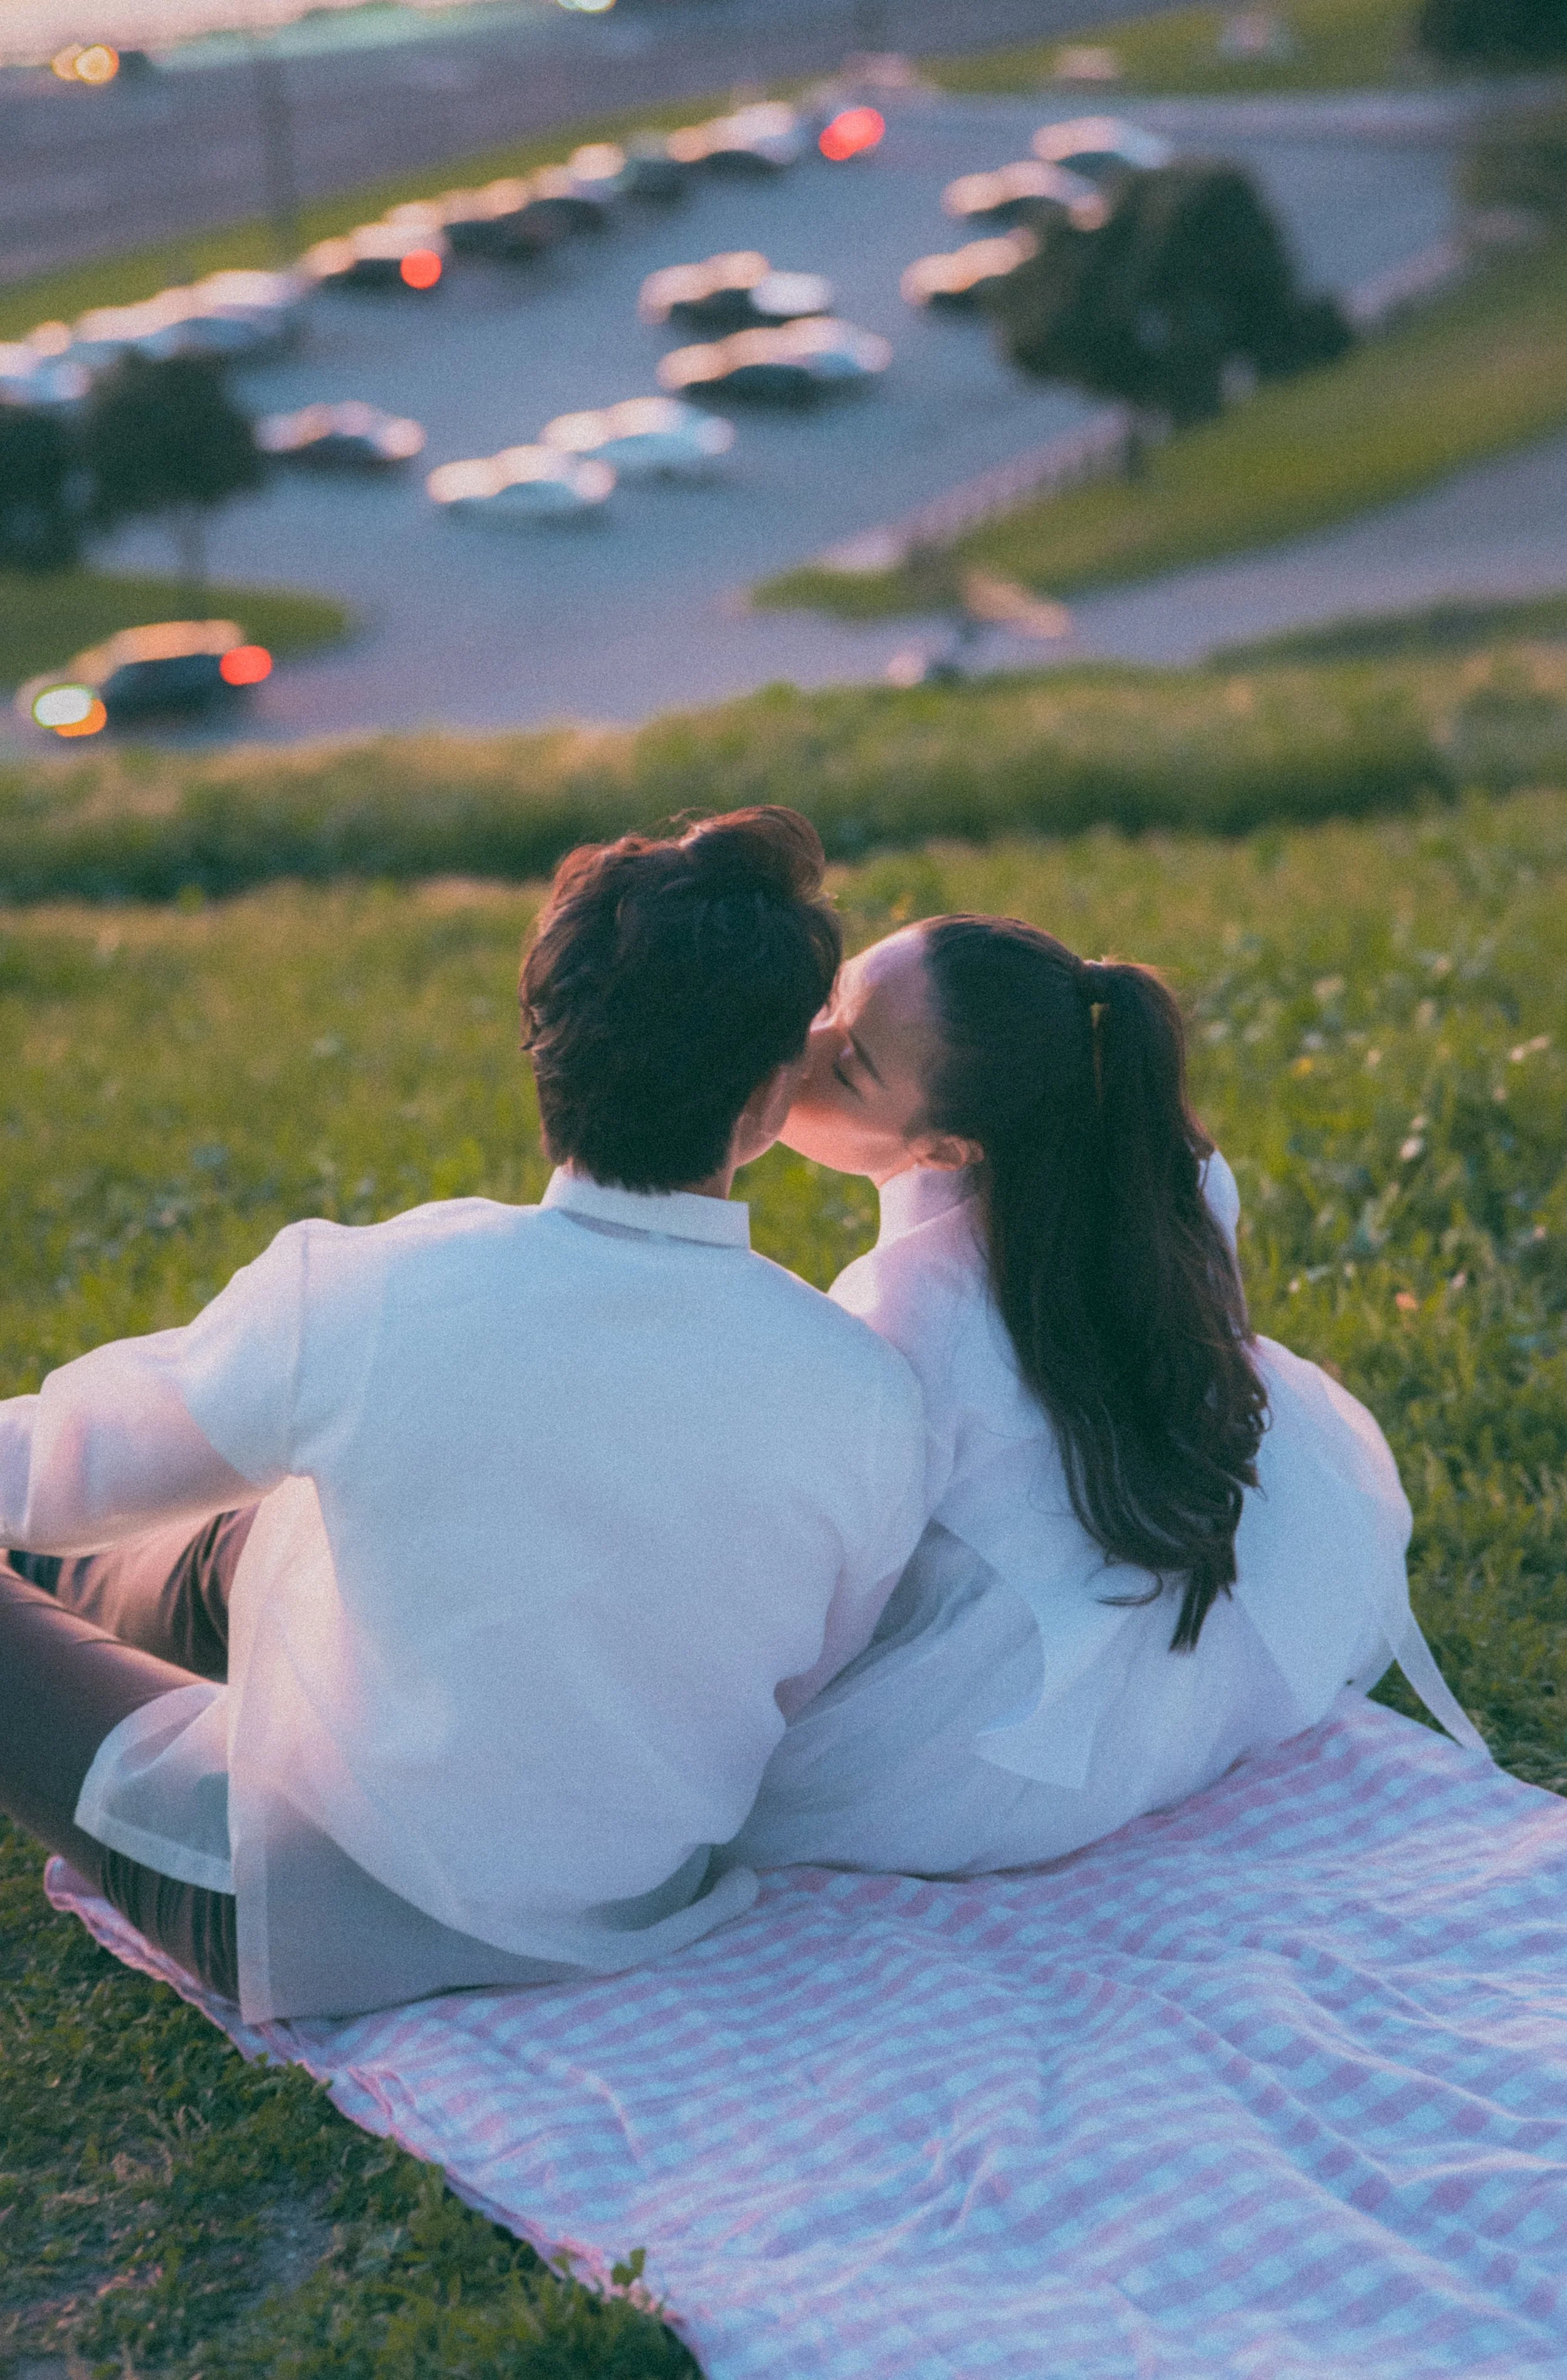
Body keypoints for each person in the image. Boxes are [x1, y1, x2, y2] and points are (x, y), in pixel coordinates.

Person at [0, 809, 926, 2021]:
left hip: (318, 1913)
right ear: (764, 1107)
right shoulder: (867, 1392)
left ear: (545, 1051)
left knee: (105, 1521)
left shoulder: (372, 1290)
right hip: (627, 1912)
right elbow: (801, 1669)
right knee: (246, 1532)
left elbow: (57, 1468)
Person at [729, 915, 1487, 1879]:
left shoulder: (907, 1314)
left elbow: (849, 1585)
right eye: (835, 1001)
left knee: (733, 1790)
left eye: (850, 1071)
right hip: (1177, 1603)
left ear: (947, 1150)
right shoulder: (1161, 1171)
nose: (806, 1047)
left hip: (1003, 1740)